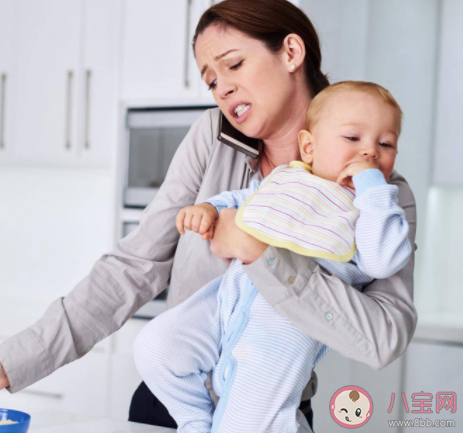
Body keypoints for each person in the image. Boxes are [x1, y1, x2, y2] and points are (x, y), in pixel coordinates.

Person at [0, 0, 418, 429]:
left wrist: (263, 256)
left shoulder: (380, 196)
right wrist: (8, 364)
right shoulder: (211, 137)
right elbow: (132, 269)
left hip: (271, 411)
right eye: (211, 79)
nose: (221, 88)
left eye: (234, 65)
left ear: (290, 52)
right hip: (170, 406)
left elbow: (383, 337)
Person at [133, 81, 412, 433]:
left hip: (288, 320)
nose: (369, 153)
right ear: (309, 147)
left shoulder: (375, 207)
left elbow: (384, 260)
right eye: (353, 139)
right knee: (155, 347)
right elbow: (242, 201)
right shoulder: (288, 178)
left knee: (252, 419)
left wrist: (374, 190)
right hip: (228, 298)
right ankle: (193, 422)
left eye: (385, 145)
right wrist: (208, 208)